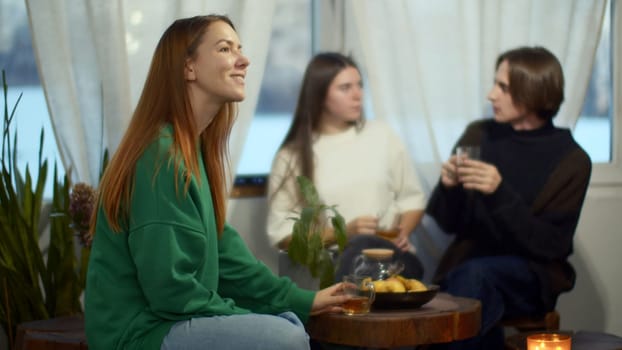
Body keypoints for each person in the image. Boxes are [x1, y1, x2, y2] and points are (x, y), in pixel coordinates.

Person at [84, 15, 348, 350]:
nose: (244, 59)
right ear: (188, 68)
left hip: (170, 322)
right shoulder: (161, 155)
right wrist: (241, 314)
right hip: (140, 335)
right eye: (225, 49)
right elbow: (169, 288)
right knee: (287, 336)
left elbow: (228, 258)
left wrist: (302, 300)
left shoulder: (192, 151)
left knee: (288, 324)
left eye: (240, 48)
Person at [426, 46, 592, 349]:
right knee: (470, 286)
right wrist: (448, 186)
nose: (491, 95)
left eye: (503, 87)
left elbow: (550, 245)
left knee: (470, 283)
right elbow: (448, 223)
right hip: (468, 270)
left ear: (533, 90)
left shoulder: (572, 160)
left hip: (529, 276)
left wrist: (499, 193)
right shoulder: (478, 135)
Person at [266, 52, 426, 282]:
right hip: (331, 266)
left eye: (360, 85)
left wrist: (402, 233)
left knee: (377, 253)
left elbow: (412, 200)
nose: (358, 95)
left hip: (393, 261)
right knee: (358, 248)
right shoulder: (291, 156)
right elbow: (283, 235)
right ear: (320, 95)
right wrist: (344, 233)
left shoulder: (382, 135)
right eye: (345, 88)